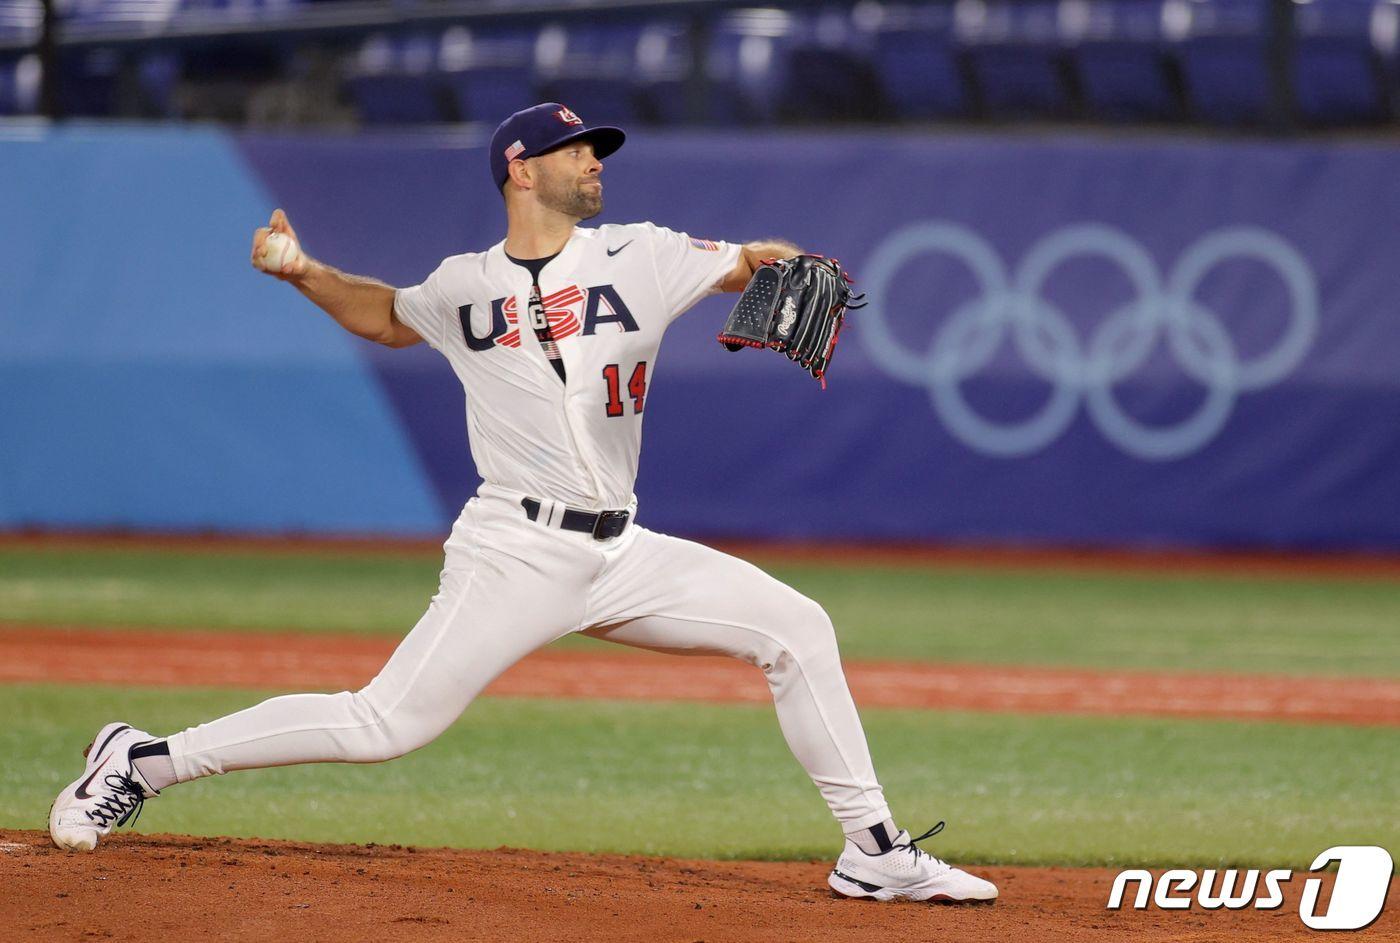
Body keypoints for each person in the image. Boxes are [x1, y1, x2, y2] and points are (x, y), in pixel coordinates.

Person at [49, 102, 997, 904]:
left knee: (797, 626)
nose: (595, 162)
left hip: (624, 552)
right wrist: (303, 272)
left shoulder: (643, 253)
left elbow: (749, 261)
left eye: (598, 151)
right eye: (578, 150)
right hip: (515, 550)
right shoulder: (466, 287)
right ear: (519, 169)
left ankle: (873, 851)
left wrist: (784, 266)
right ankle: (142, 759)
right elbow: (386, 313)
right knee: (385, 724)